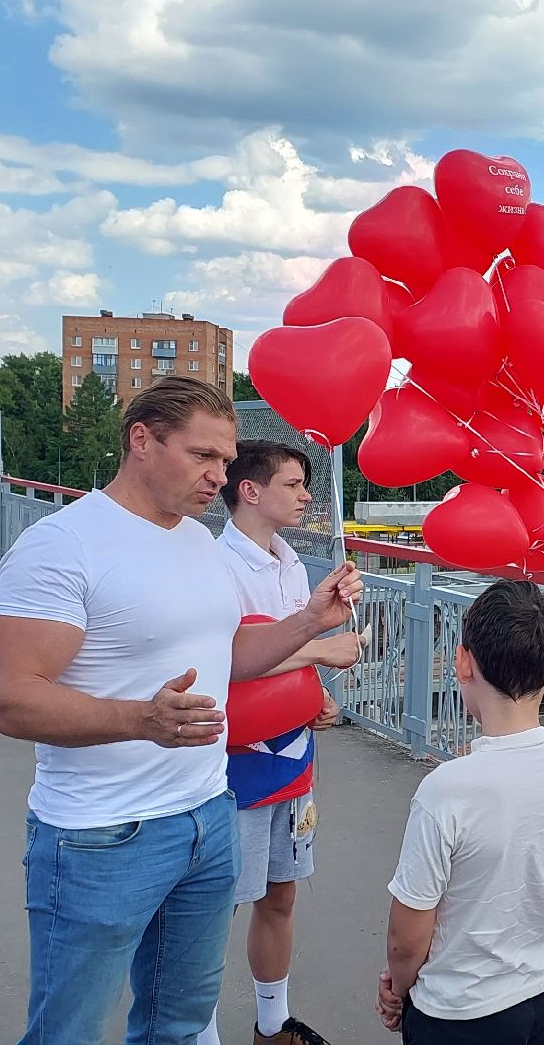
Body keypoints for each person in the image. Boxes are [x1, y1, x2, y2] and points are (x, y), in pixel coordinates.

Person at [0, 377, 364, 1045]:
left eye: (225, 460)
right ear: (142, 441)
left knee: (180, 1023)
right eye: (202, 457)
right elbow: (14, 700)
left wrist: (309, 621)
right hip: (103, 833)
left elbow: (231, 655)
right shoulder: (63, 545)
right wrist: (140, 719)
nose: (219, 476)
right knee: (67, 1031)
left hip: (206, 815)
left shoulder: (195, 540)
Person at [374, 579, 544, 1044]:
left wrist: (399, 988)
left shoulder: (445, 792)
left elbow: (406, 936)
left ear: (463, 662)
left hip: (461, 1011)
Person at [200, 441, 362, 1045]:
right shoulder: (217, 567)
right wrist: (320, 646)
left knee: (280, 893)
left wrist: (313, 696)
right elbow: (229, 661)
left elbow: (285, 665)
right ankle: (201, 1030)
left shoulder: (292, 563)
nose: (305, 496)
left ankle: (273, 1023)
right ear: (250, 490)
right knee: (215, 909)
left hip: (291, 758)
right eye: (293, 484)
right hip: (233, 766)